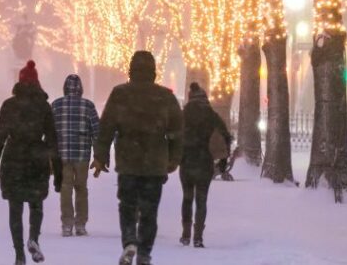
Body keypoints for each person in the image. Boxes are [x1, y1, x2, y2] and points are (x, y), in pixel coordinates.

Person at [92, 51, 183, 265]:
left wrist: (100, 156)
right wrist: (173, 158)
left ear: (131, 70)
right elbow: (177, 131)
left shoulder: (120, 94)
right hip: (155, 162)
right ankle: (144, 252)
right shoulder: (165, 96)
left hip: (128, 160)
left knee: (127, 205)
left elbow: (106, 128)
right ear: (153, 71)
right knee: (150, 210)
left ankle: (129, 242)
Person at [0, 60, 63, 265]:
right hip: (36, 158)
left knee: (15, 208)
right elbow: (52, 141)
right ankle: (34, 238)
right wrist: (58, 173)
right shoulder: (43, 107)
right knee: (36, 204)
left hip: (13, 158)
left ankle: (19, 254)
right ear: (37, 82)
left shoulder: (9, 106)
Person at [179, 82, 232, 248]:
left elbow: (173, 134)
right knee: (201, 200)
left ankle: (186, 233)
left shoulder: (184, 113)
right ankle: (198, 236)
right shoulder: (210, 114)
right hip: (204, 161)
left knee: (187, 198)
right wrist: (224, 158)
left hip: (187, 161)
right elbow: (226, 135)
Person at [52, 73, 100, 237]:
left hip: (63, 154)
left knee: (66, 189)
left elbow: (50, 132)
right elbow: (97, 132)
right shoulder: (88, 106)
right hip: (82, 155)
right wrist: (99, 155)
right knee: (81, 188)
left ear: (65, 88)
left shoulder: (56, 105)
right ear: (81, 89)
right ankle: (80, 223)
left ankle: (67, 223)